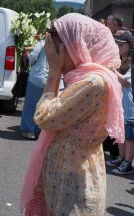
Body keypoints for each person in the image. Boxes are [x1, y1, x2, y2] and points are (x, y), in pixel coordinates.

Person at [20, 13, 124, 215]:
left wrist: (54, 71)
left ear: (76, 46)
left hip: (72, 183)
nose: (53, 54)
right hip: (68, 174)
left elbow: (44, 117)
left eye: (57, 48)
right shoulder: (90, 77)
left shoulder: (92, 83)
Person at [20, 39, 64, 140]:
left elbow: (32, 58)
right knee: (47, 105)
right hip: (55, 81)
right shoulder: (63, 45)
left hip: (37, 78)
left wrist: (28, 58)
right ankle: (42, 131)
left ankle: (29, 130)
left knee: (31, 105)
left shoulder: (42, 43)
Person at [106, 32, 134, 175]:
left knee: (129, 136)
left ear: (130, 46)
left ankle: (128, 163)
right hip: (121, 102)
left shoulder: (132, 63)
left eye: (121, 45)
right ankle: (122, 157)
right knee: (122, 132)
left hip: (129, 105)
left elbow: (125, 81)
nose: (118, 47)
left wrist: (111, 71)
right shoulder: (120, 61)